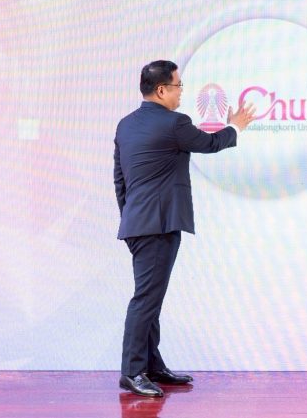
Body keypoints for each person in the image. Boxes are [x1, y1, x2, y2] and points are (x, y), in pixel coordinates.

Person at [114, 60, 256, 397]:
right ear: (161, 89)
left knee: (151, 297)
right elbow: (210, 143)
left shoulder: (125, 124)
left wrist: (131, 217)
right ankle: (132, 372)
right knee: (146, 299)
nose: (181, 93)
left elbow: (120, 179)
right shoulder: (175, 123)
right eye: (178, 86)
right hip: (159, 225)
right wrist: (235, 126)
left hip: (137, 224)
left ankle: (151, 365)